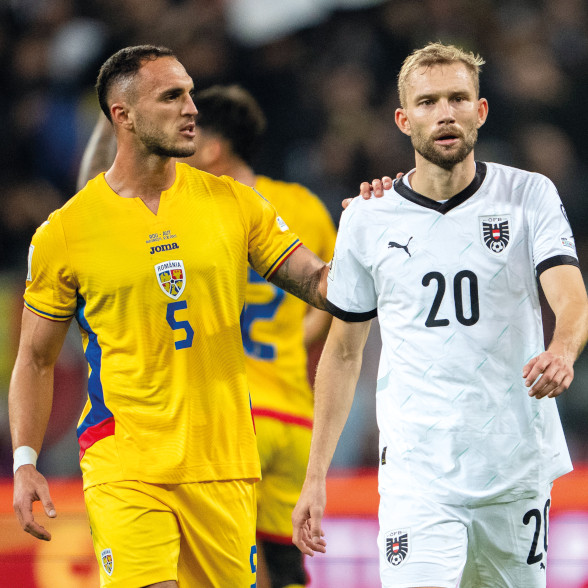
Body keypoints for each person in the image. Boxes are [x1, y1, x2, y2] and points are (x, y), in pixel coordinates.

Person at [9, 45, 331, 588]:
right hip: (125, 459)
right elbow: (35, 359)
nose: (191, 108)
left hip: (224, 463)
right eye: (172, 96)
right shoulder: (64, 232)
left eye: (190, 94)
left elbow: (319, 283)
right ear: (123, 115)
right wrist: (25, 460)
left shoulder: (234, 202)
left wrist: (383, 237)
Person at [292, 41, 588, 588]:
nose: (445, 113)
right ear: (404, 120)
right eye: (427, 102)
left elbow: (569, 294)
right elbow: (343, 353)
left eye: (458, 98)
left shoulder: (529, 195)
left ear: (481, 110)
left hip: (515, 469)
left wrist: (562, 350)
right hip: (417, 476)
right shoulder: (368, 218)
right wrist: (315, 475)